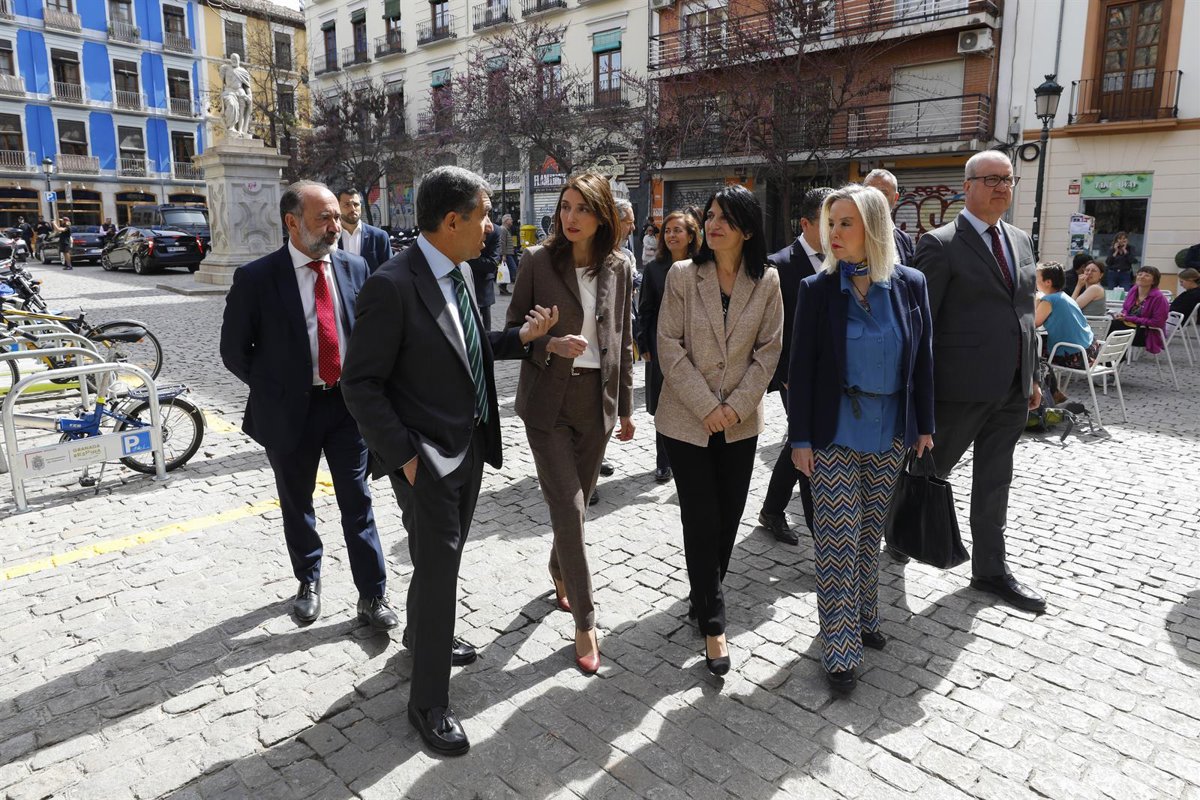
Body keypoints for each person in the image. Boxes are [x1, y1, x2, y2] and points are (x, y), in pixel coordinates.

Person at [340, 166, 556, 756]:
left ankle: (421, 635)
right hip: (426, 458)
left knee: (443, 564)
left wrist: (528, 339)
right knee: (439, 572)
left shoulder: (460, 273)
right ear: (453, 220)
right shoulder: (392, 285)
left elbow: (468, 349)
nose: (492, 227)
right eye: (484, 216)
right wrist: (405, 459)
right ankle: (429, 703)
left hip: (469, 447)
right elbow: (360, 385)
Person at [219, 181, 397, 634]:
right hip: (289, 412)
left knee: (358, 501)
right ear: (292, 222)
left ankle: (373, 593)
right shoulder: (257, 278)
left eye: (337, 216)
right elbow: (234, 351)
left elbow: (368, 333)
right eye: (325, 218)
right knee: (296, 502)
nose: (336, 226)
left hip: (347, 408)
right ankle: (308, 580)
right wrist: (278, 388)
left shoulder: (355, 267)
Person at [788, 184, 934, 694]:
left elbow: (924, 358)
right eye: (831, 223)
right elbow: (799, 369)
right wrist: (800, 438)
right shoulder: (817, 290)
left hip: (890, 429)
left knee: (870, 533)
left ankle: (865, 616)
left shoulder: (910, 284)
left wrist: (924, 425)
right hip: (833, 433)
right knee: (836, 539)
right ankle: (839, 649)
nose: (834, 232)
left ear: (872, 226)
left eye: (845, 222)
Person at [506, 172, 635, 675]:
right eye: (565, 206)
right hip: (548, 404)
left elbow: (622, 339)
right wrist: (547, 342)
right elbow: (511, 329)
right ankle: (586, 620)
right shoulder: (537, 261)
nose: (570, 217)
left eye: (582, 208)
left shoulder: (619, 266)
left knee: (573, 509)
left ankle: (558, 568)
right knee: (570, 504)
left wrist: (626, 407)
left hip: (597, 403)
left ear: (602, 216)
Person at [656, 185, 783, 677]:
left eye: (725, 218)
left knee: (728, 516)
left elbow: (768, 352)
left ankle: (703, 592)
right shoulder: (683, 276)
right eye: (710, 215)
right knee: (701, 516)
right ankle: (714, 621)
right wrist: (707, 406)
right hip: (686, 420)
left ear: (747, 229)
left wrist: (733, 408)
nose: (713, 225)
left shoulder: (766, 280)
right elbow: (668, 344)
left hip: (740, 423)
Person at [912, 150, 1046, 614]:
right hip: (958, 389)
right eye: (991, 179)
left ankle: (990, 570)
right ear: (966, 186)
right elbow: (922, 325)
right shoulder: (940, 243)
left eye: (1007, 179)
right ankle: (898, 532)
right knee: (928, 472)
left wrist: (1031, 375)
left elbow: (1025, 313)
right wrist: (920, 396)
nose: (1002, 186)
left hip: (1012, 387)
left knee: (995, 481)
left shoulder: (1021, 240)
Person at [758, 186, 831, 546]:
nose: (835, 230)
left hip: (832, 375)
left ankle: (772, 509)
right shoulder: (779, 264)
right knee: (808, 443)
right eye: (827, 222)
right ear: (805, 223)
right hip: (794, 376)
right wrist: (785, 375)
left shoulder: (844, 258)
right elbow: (770, 328)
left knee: (799, 439)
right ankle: (822, 533)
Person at [637, 210, 701, 483]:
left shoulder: (703, 266)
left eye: (678, 230)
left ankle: (689, 458)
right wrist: (643, 343)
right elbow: (645, 309)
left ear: (691, 235)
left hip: (697, 346)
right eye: (668, 231)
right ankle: (663, 461)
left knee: (693, 401)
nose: (672, 235)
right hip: (661, 345)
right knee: (664, 404)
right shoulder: (654, 269)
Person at [1035, 262, 1100, 400]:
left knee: (1031, 354)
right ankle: (1053, 391)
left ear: (1048, 282)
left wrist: (1036, 301)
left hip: (1077, 356)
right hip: (1091, 351)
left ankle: (1051, 392)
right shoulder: (1064, 296)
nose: (1034, 282)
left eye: (1036, 279)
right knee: (1036, 348)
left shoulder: (1049, 300)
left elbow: (1033, 323)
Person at [1107, 265, 1170, 355]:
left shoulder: (1159, 298)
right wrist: (1123, 314)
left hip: (1146, 333)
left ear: (1154, 281)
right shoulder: (1134, 290)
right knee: (1108, 325)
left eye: (1147, 275)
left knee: (1112, 328)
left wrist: (1128, 318)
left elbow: (1157, 323)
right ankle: (1111, 357)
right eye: (1140, 274)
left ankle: (1113, 358)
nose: (1142, 277)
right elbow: (1126, 309)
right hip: (1129, 327)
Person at [863, 168, 915, 266]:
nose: (877, 198)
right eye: (871, 193)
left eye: (883, 193)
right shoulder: (851, 234)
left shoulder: (904, 239)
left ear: (895, 198)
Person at [336, 188, 392, 274]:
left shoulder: (379, 236)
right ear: (338, 207)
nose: (352, 209)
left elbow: (389, 271)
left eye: (356, 204)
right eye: (347, 205)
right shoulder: (332, 236)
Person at [468, 225, 500, 330]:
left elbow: (492, 264)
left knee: (486, 326)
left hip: (484, 281)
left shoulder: (495, 231)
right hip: (464, 282)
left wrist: (467, 259)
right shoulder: (464, 226)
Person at [497, 214, 517, 295]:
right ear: (506, 221)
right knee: (514, 270)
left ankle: (503, 288)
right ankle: (503, 287)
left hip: (508, 254)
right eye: (510, 219)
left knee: (506, 271)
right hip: (506, 255)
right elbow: (502, 243)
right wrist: (503, 255)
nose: (512, 221)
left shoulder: (506, 229)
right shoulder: (503, 229)